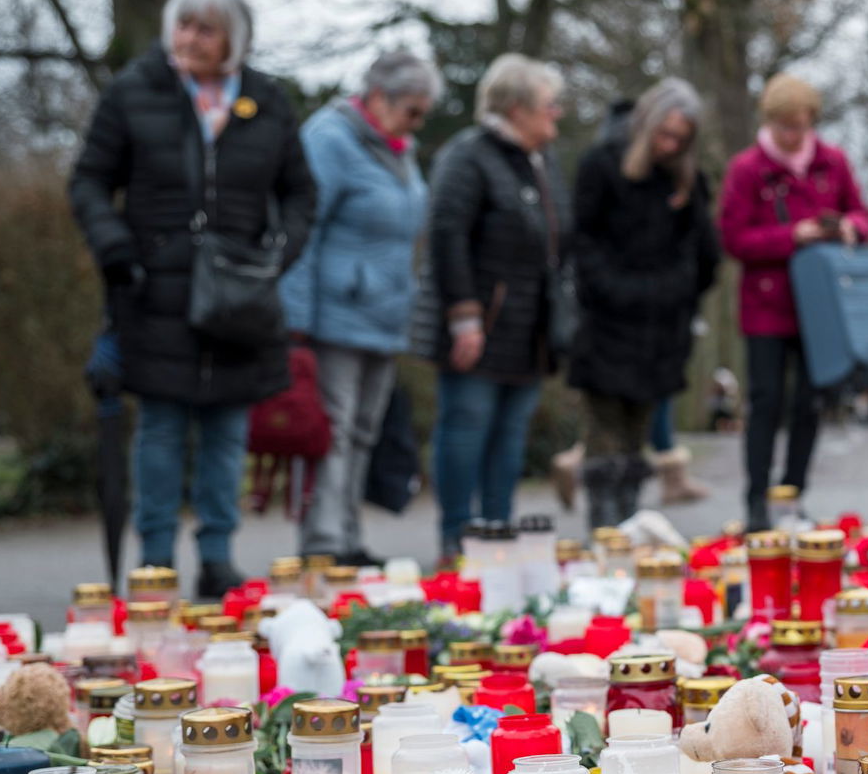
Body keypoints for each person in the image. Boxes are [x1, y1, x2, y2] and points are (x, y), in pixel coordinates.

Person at [69, 0, 315, 598]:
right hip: (153, 291)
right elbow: (90, 181)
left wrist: (278, 253)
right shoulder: (134, 91)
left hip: (241, 296)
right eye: (182, 24)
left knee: (229, 429)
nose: (188, 38)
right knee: (160, 428)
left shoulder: (267, 99)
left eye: (205, 29)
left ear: (233, 39)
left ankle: (217, 556)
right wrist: (115, 249)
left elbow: (299, 192)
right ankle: (155, 561)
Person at [281, 51, 441, 567]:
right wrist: (296, 318)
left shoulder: (399, 149)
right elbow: (303, 228)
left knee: (363, 433)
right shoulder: (329, 139)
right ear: (378, 98)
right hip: (334, 317)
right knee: (333, 430)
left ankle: (346, 535)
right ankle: (323, 542)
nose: (418, 123)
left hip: (383, 317)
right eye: (413, 111)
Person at [425, 54, 570, 563]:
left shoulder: (542, 161)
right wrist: (464, 318)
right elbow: (447, 236)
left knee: (510, 438)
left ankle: (500, 537)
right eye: (548, 106)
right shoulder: (468, 155)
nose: (557, 114)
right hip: (480, 326)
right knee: (466, 428)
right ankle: (457, 537)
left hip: (529, 329)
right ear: (515, 108)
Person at [719, 73, 868, 531]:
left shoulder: (833, 163)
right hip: (766, 307)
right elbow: (734, 237)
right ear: (770, 122)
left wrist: (850, 229)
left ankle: (793, 496)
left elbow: (863, 214)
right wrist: (792, 235)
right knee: (765, 402)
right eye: (785, 127)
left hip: (820, 309)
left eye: (800, 127)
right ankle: (756, 501)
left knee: (810, 402)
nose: (792, 137)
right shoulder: (748, 170)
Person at [568, 78, 720, 528]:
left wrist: (674, 293)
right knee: (605, 434)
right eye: (664, 134)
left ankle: (629, 527)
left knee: (638, 439)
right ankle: (604, 533)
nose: (669, 145)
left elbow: (703, 253)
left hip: (662, 329)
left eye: (680, 138)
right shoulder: (601, 166)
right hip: (607, 323)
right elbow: (583, 243)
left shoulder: (687, 181)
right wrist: (618, 290)